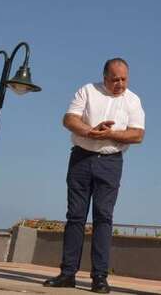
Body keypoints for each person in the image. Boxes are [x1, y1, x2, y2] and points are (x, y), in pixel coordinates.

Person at [43, 58, 145, 293]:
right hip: (81, 159)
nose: (120, 83)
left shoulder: (133, 100)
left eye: (124, 79)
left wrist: (112, 134)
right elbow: (69, 119)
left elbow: (138, 135)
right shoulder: (87, 90)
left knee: (103, 218)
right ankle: (67, 273)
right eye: (114, 79)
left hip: (110, 163)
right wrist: (90, 131)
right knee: (75, 216)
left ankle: (99, 277)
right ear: (105, 76)